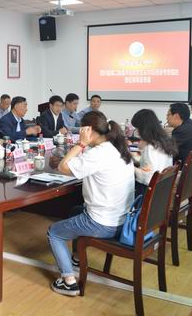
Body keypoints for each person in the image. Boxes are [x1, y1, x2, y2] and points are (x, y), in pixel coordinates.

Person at [47, 110, 134, 297]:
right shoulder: (117, 148)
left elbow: (63, 167)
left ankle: (69, 282)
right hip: (123, 218)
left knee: (54, 233)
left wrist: (81, 144)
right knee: (75, 211)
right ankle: (77, 258)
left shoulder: (98, 154)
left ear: (89, 131)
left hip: (103, 223)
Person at [130, 109, 177, 197]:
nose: (137, 131)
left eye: (137, 128)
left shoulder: (150, 147)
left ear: (143, 128)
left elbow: (148, 178)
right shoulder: (164, 142)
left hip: (149, 192)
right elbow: (152, 166)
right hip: (163, 190)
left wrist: (131, 168)